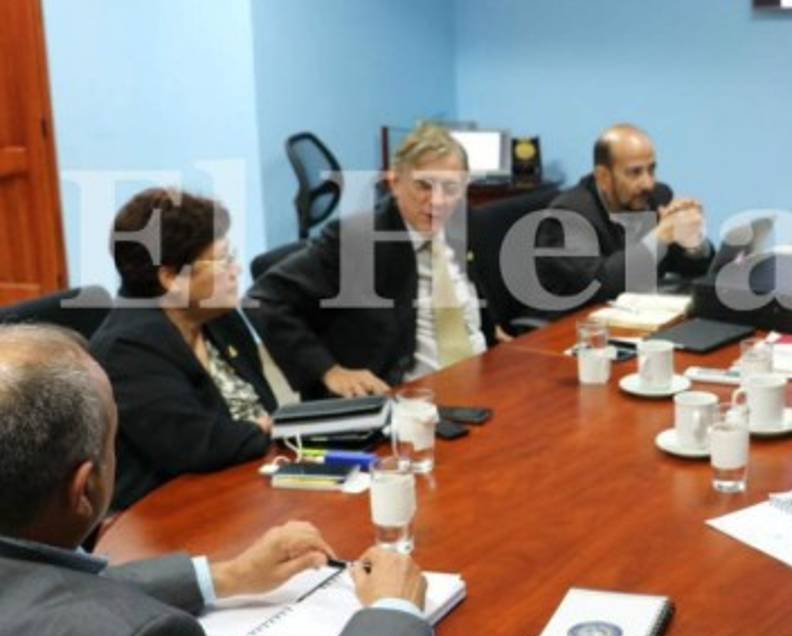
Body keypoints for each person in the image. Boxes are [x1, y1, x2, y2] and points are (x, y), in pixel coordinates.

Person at [0, 323, 432, 636]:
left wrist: (226, 576)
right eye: (114, 441)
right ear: (85, 489)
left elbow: (43, 588)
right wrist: (392, 611)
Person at [247, 123, 496, 399]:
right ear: (395, 182)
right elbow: (263, 299)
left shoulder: (462, 224)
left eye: (450, 188)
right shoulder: (355, 241)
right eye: (424, 185)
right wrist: (328, 370)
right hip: (409, 398)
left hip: (482, 377)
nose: (438, 201)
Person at [90, 188, 275, 510]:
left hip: (251, 481)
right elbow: (198, 446)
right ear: (171, 277)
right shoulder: (126, 350)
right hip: (174, 511)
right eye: (223, 260)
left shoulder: (218, 315)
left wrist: (264, 430)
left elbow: (267, 408)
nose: (236, 270)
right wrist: (264, 430)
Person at [535, 123, 713, 305]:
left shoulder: (657, 196)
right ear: (603, 177)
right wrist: (660, 237)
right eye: (635, 173)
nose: (648, 184)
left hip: (640, 311)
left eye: (651, 170)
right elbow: (601, 285)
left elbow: (694, 270)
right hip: (572, 318)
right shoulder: (567, 216)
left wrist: (692, 242)